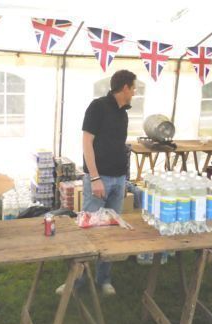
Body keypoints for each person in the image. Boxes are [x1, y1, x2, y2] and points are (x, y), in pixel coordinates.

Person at [56, 70, 137, 296]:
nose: (135, 92)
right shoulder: (98, 107)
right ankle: (77, 279)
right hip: (99, 179)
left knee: (110, 232)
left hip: (119, 179)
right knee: (87, 229)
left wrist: (123, 178)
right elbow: (87, 143)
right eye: (133, 88)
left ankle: (104, 279)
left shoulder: (124, 113)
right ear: (124, 88)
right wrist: (95, 178)